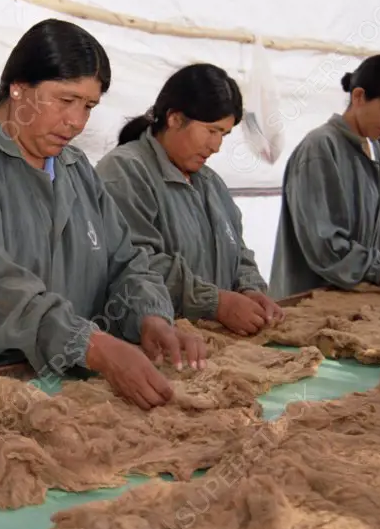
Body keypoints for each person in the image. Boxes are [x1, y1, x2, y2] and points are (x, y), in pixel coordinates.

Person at [0, 19, 207, 411]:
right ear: (18, 88)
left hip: (57, 401)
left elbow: (126, 262)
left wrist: (150, 316)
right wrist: (93, 346)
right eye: (65, 100)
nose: (77, 121)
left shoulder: (76, 170)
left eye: (88, 106)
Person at [95, 63, 284, 338]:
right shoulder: (125, 172)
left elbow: (239, 253)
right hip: (153, 348)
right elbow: (136, 263)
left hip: (214, 347)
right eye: (211, 130)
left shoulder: (211, 184)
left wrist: (250, 288)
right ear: (174, 118)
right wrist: (214, 302)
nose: (216, 146)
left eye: (224, 134)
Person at [269, 54, 380, 299]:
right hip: (309, 305)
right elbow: (323, 243)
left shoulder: (377, 154)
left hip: (356, 303)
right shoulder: (319, 149)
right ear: (359, 96)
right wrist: (378, 271)